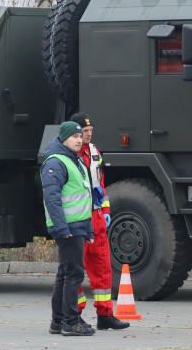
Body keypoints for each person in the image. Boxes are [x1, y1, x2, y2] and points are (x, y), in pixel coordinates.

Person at [70, 112, 130, 331]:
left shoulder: (94, 152)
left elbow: (100, 184)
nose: (87, 135)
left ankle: (105, 314)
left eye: (90, 131)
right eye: (84, 132)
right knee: (75, 269)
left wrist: (105, 211)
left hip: (95, 217)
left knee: (103, 266)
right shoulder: (67, 155)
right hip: (78, 217)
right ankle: (74, 315)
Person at [41, 121, 95, 337]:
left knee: (65, 273)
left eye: (80, 136)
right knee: (74, 273)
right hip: (68, 228)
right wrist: (63, 228)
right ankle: (70, 322)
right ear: (63, 139)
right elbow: (52, 199)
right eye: (74, 137)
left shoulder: (76, 161)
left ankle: (59, 320)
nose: (79, 140)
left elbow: (84, 197)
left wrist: (88, 228)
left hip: (77, 226)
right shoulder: (56, 162)